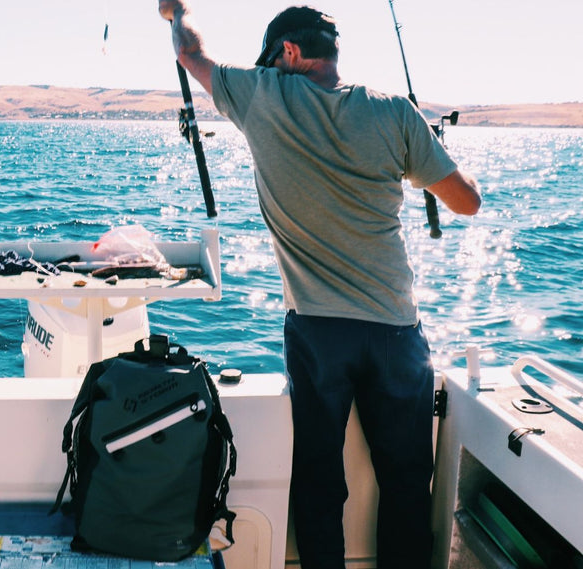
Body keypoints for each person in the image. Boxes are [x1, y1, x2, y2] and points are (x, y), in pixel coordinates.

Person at [157, 2, 481, 568]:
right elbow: (466, 202)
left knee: (319, 479)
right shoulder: (392, 111)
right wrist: (425, 145)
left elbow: (190, 53)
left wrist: (177, 10)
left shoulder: (262, 95)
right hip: (395, 332)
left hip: (317, 333)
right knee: (407, 481)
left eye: (273, 60)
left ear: (289, 53)